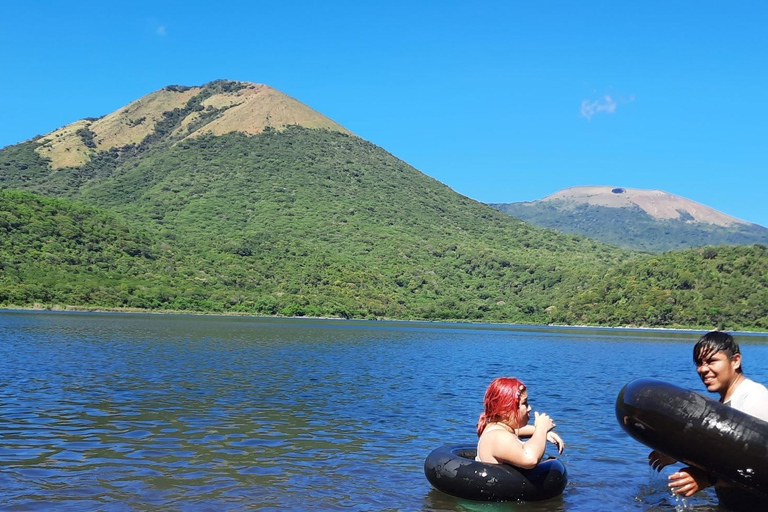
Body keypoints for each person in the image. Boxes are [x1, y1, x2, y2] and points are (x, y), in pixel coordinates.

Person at [648, 331, 768, 507]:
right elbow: (725, 457)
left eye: (712, 361)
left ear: (735, 361)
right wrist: (678, 455)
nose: (703, 369)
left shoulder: (754, 399)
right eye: (699, 363)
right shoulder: (723, 403)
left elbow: (760, 466)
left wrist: (706, 479)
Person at [476, 377, 564, 468]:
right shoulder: (496, 437)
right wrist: (541, 428)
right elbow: (530, 459)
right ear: (505, 410)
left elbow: (517, 431)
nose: (529, 408)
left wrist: (541, 433)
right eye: (524, 403)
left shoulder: (496, 428)